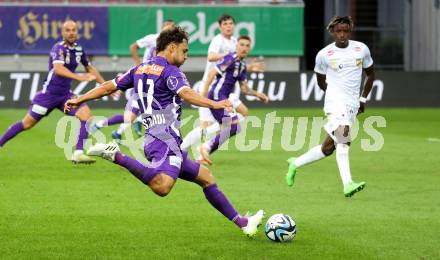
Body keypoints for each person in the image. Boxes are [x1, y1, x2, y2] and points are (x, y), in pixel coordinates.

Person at [64, 26, 264, 237]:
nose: (186, 56)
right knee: (162, 187)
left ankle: (243, 222)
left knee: (205, 177)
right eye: (184, 51)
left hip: (163, 140)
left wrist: (80, 98)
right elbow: (186, 93)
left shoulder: (140, 69)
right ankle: (116, 155)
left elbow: (108, 86)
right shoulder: (171, 72)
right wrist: (214, 104)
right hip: (164, 141)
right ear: (171, 47)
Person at [285, 16, 375, 197]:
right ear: (333, 32)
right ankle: (348, 184)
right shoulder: (324, 54)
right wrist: (333, 94)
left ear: (350, 31)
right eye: (338, 31)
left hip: (352, 103)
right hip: (334, 102)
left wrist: (363, 99)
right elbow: (320, 81)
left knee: (328, 148)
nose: (342, 35)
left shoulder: (361, 49)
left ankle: (295, 163)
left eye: (345, 31)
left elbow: (370, 74)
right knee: (344, 138)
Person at [0, 20, 105, 164]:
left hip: (65, 95)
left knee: (85, 114)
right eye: (67, 30)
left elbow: (90, 69)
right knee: (27, 124)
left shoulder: (79, 50)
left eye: (73, 30)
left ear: (77, 32)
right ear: (63, 33)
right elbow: (58, 69)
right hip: (48, 95)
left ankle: (78, 153)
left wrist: (105, 86)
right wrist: (79, 77)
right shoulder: (58, 48)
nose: (71, 32)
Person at [181, 14, 264, 153]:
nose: (228, 26)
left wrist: (248, 67)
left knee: (242, 114)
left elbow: (235, 65)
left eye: (230, 23)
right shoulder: (218, 40)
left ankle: (205, 147)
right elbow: (211, 57)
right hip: (211, 87)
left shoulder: (234, 42)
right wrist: (228, 56)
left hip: (225, 91)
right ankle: (185, 148)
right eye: (225, 24)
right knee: (206, 127)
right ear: (220, 27)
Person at [197, 35, 269, 165]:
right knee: (233, 125)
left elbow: (244, 88)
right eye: (241, 45)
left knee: (235, 127)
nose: (244, 48)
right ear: (236, 46)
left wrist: (258, 94)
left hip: (224, 97)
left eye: (247, 46)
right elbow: (212, 73)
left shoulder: (241, 65)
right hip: (217, 96)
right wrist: (204, 93)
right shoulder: (230, 58)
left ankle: (204, 150)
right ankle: (205, 147)